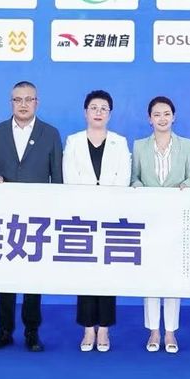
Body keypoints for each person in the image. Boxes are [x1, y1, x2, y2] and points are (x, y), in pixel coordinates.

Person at [0, 80, 64, 352]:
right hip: (4, 216)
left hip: (37, 217)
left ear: (37, 103)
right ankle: (4, 329)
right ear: (11, 103)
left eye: (29, 99)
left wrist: (55, 213)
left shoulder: (50, 133)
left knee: (32, 276)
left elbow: (58, 177)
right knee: (4, 274)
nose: (23, 104)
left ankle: (32, 331)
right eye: (18, 99)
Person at [62, 90, 131, 353]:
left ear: (110, 114)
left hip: (111, 217)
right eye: (94, 107)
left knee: (107, 273)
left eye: (104, 108)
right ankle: (88, 328)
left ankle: (104, 328)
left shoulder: (119, 142)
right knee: (86, 272)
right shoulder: (73, 141)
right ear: (85, 112)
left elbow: (123, 178)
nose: (98, 112)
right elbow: (69, 178)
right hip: (83, 217)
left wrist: (108, 205)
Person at [131, 95, 190, 354]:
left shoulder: (186, 145)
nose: (162, 118)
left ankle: (170, 331)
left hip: (175, 220)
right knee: (151, 275)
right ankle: (153, 330)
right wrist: (142, 190)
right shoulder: (139, 146)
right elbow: (134, 178)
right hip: (148, 220)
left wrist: (184, 186)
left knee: (171, 276)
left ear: (174, 117)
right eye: (157, 114)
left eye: (166, 113)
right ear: (150, 119)